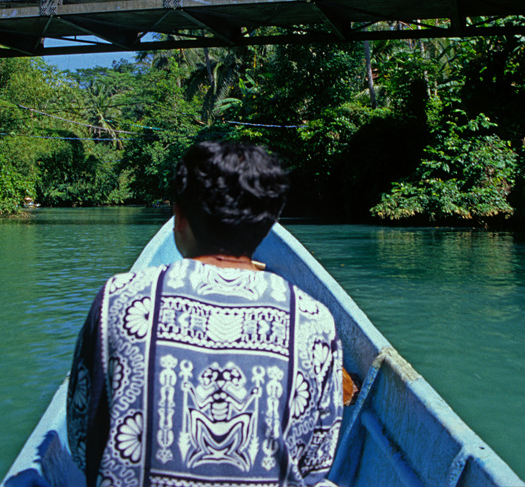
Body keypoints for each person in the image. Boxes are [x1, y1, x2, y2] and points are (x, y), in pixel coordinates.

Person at [67, 142, 343, 487]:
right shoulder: (314, 319)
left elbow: (81, 443)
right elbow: (316, 464)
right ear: (268, 221)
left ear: (179, 216)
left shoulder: (120, 297)